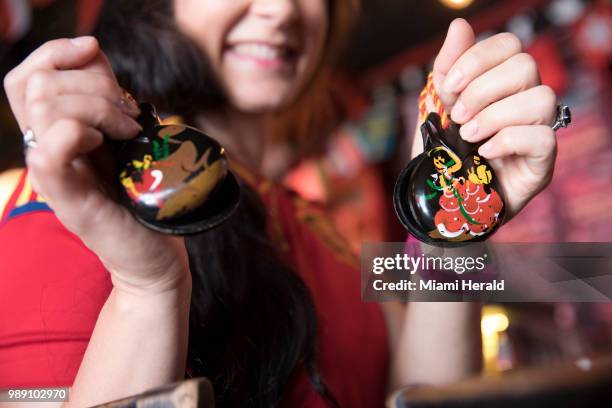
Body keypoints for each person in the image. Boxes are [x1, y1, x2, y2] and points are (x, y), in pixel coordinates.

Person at [0, 0, 558, 406]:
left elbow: (417, 395)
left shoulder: (321, 229)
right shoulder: (74, 205)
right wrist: (150, 289)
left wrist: (451, 227)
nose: (283, 9)